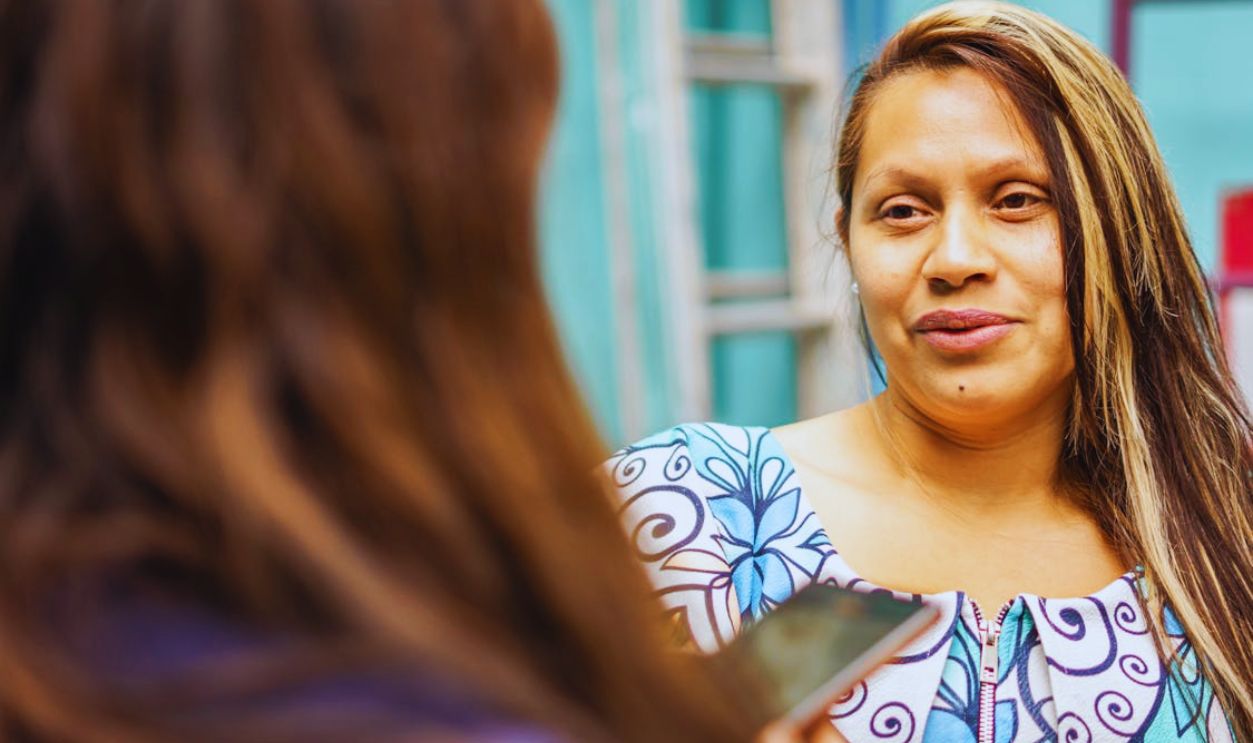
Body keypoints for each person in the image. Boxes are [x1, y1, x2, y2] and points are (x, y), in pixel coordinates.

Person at [0, 1, 835, 741]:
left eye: (979, 198)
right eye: (899, 208)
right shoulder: (692, 485)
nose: (955, 259)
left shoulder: (79, 624)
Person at [610, 2, 1253, 741]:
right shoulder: (683, 520)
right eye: (903, 210)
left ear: (1117, 228)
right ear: (847, 241)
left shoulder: (1218, 550)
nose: (953, 259)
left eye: (1016, 201)